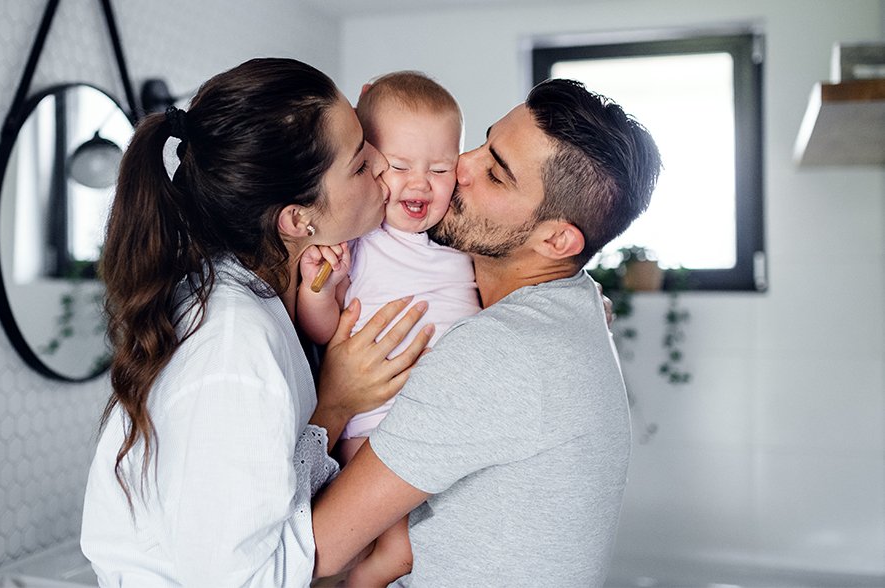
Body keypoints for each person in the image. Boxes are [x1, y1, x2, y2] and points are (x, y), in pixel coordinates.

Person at [80, 57, 435, 587]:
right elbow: (239, 580)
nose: (386, 169)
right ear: (297, 219)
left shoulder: (263, 291)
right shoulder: (233, 349)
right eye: (361, 165)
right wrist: (334, 404)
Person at [312, 78, 662, 587]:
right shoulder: (575, 302)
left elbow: (313, 551)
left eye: (495, 174)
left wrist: (335, 403)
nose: (461, 167)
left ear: (557, 239)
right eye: (481, 142)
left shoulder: (498, 353)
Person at [297, 71, 480, 587]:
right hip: (375, 424)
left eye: (440, 169)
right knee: (395, 555)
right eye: (399, 167)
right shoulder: (360, 236)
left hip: (442, 425)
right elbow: (324, 328)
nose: (420, 184)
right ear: (371, 163)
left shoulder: (458, 235)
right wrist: (316, 288)